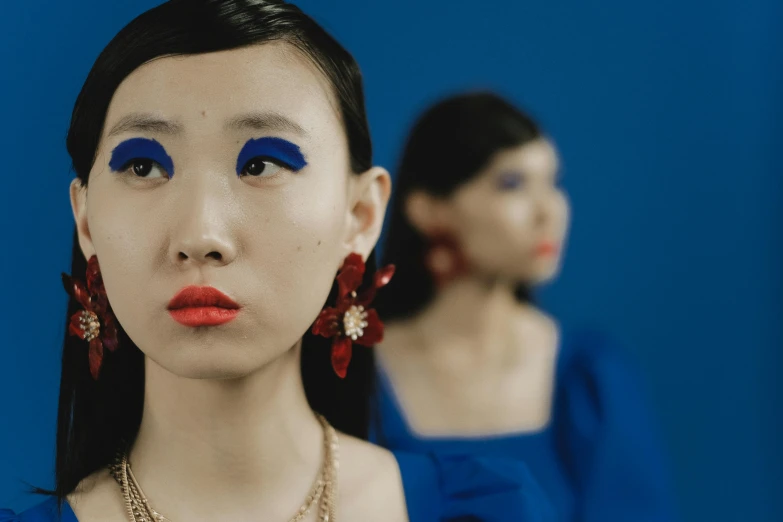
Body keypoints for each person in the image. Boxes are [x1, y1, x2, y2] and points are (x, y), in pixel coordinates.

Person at [0, 4, 553, 522]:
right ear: (87, 220)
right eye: (143, 166)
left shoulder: (485, 508)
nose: (200, 236)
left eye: (262, 162)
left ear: (359, 215)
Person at [372, 92, 679, 521]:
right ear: (429, 210)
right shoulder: (358, 374)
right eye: (512, 184)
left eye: (553, 183)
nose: (548, 211)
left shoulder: (588, 376)